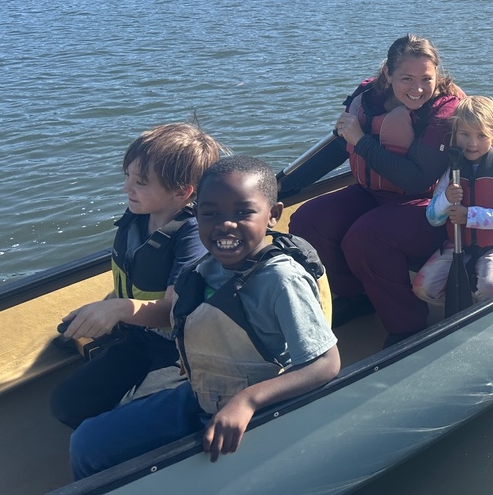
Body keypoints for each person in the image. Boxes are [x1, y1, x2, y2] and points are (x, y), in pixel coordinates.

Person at [69, 155, 341, 479]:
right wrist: (116, 311)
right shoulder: (204, 268)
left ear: (273, 215)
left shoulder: (281, 280)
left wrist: (247, 402)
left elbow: (325, 363)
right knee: (86, 442)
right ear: (196, 215)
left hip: (261, 408)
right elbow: (172, 316)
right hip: (200, 394)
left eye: (243, 212)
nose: (226, 224)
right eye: (211, 214)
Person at [286, 34, 463, 346]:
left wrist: (362, 141)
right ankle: (358, 297)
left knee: (367, 237)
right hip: (375, 194)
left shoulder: (444, 111)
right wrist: (280, 188)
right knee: (307, 221)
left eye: (426, 78)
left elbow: (417, 179)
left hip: (432, 207)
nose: (417, 88)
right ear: (388, 75)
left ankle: (407, 325)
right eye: (406, 78)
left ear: (438, 76)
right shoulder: (368, 99)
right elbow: (338, 147)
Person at [51, 122, 223, 429]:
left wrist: (118, 309)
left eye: (140, 182)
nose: (126, 188)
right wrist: (104, 313)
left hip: (182, 350)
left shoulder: (193, 235)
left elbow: (173, 311)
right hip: (139, 337)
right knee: (68, 405)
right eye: (127, 176)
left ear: (182, 192)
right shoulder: (139, 218)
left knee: (125, 424)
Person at [414, 96, 493, 306]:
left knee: (492, 288)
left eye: (481, 135)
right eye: (464, 134)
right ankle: (467, 304)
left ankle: (482, 304)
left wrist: (470, 215)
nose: (472, 143)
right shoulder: (452, 169)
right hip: (458, 245)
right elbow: (433, 218)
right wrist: (446, 200)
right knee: (423, 288)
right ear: (455, 134)